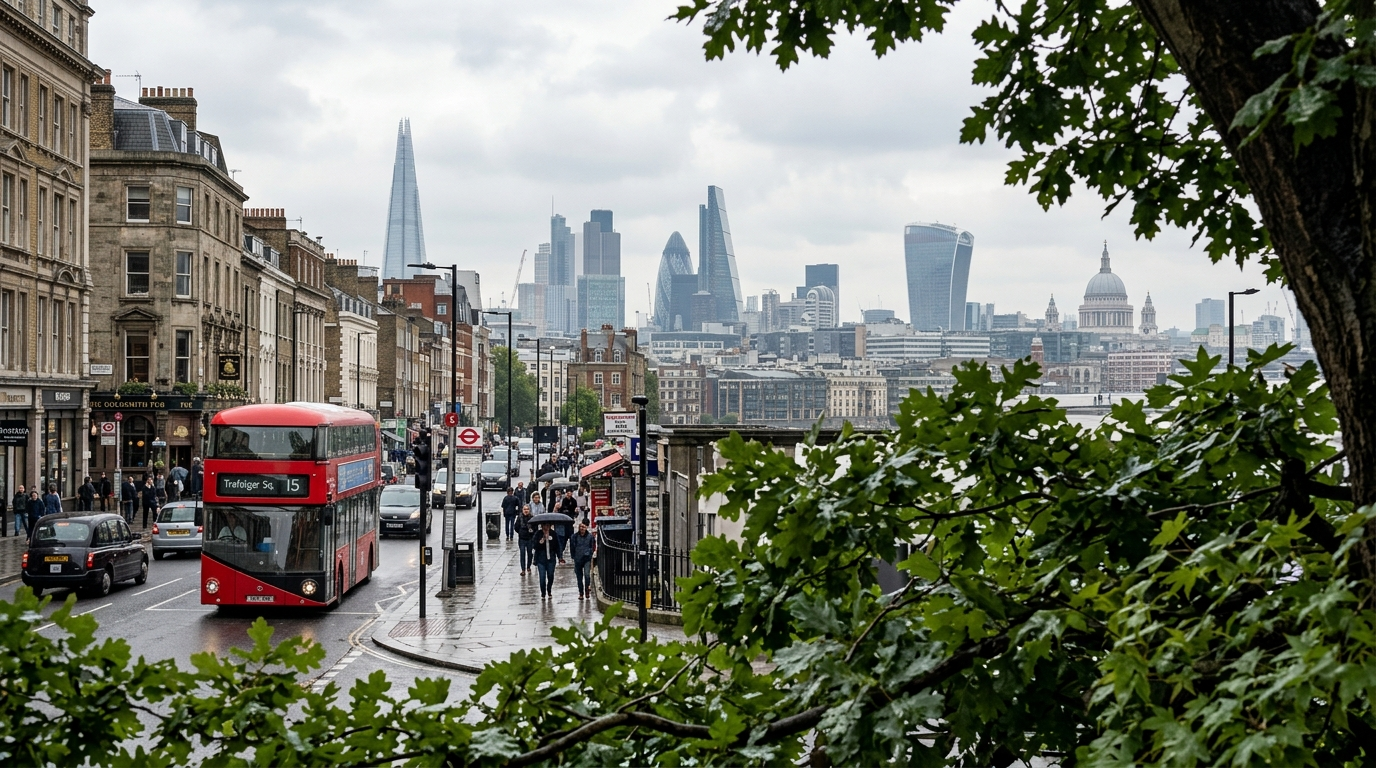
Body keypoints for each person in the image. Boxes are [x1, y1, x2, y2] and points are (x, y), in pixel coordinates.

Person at [569, 522, 596, 600]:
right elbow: (572, 547)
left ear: (586, 527)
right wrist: (573, 556)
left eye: (583, 527)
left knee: (587, 575)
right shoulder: (574, 537)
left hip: (586, 558)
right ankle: (581, 593)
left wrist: (590, 553)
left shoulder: (590, 537)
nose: (582, 528)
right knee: (579, 577)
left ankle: (587, 590)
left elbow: (593, 546)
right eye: (580, 526)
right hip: (577, 559)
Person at [532, 523, 558, 598]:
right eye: (544, 526)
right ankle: (543, 592)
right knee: (542, 577)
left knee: (550, 575)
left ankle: (549, 589)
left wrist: (560, 557)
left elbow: (557, 545)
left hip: (551, 559)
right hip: (541, 559)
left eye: (548, 526)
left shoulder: (553, 534)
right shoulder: (538, 534)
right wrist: (540, 542)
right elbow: (534, 545)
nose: (546, 528)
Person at [515, 504, 536, 576]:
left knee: (530, 553)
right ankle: (523, 569)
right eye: (524, 509)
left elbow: (535, 528)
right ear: (522, 510)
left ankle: (528, 566)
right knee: (522, 554)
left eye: (527, 509)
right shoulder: (519, 517)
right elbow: (516, 527)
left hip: (530, 538)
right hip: (522, 539)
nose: (526, 511)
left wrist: (532, 532)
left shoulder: (532, 518)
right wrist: (520, 532)